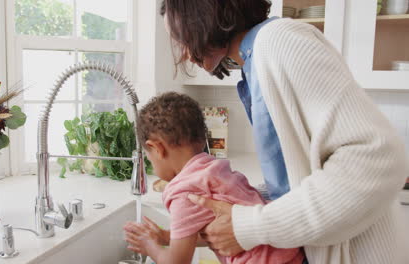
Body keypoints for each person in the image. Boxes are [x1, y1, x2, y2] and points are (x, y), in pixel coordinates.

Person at [157, 0, 409, 263]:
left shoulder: (280, 41)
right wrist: (239, 199)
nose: (185, 53)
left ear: (202, 16)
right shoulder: (254, 63)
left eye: (182, 37)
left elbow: (377, 159)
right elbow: (296, 179)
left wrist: (250, 226)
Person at [124, 92, 305, 263]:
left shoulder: (183, 192)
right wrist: (166, 237)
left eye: (149, 158)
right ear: (203, 139)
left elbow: (177, 261)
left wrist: (149, 247)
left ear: (157, 149)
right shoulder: (218, 171)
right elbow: (217, 234)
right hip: (291, 253)